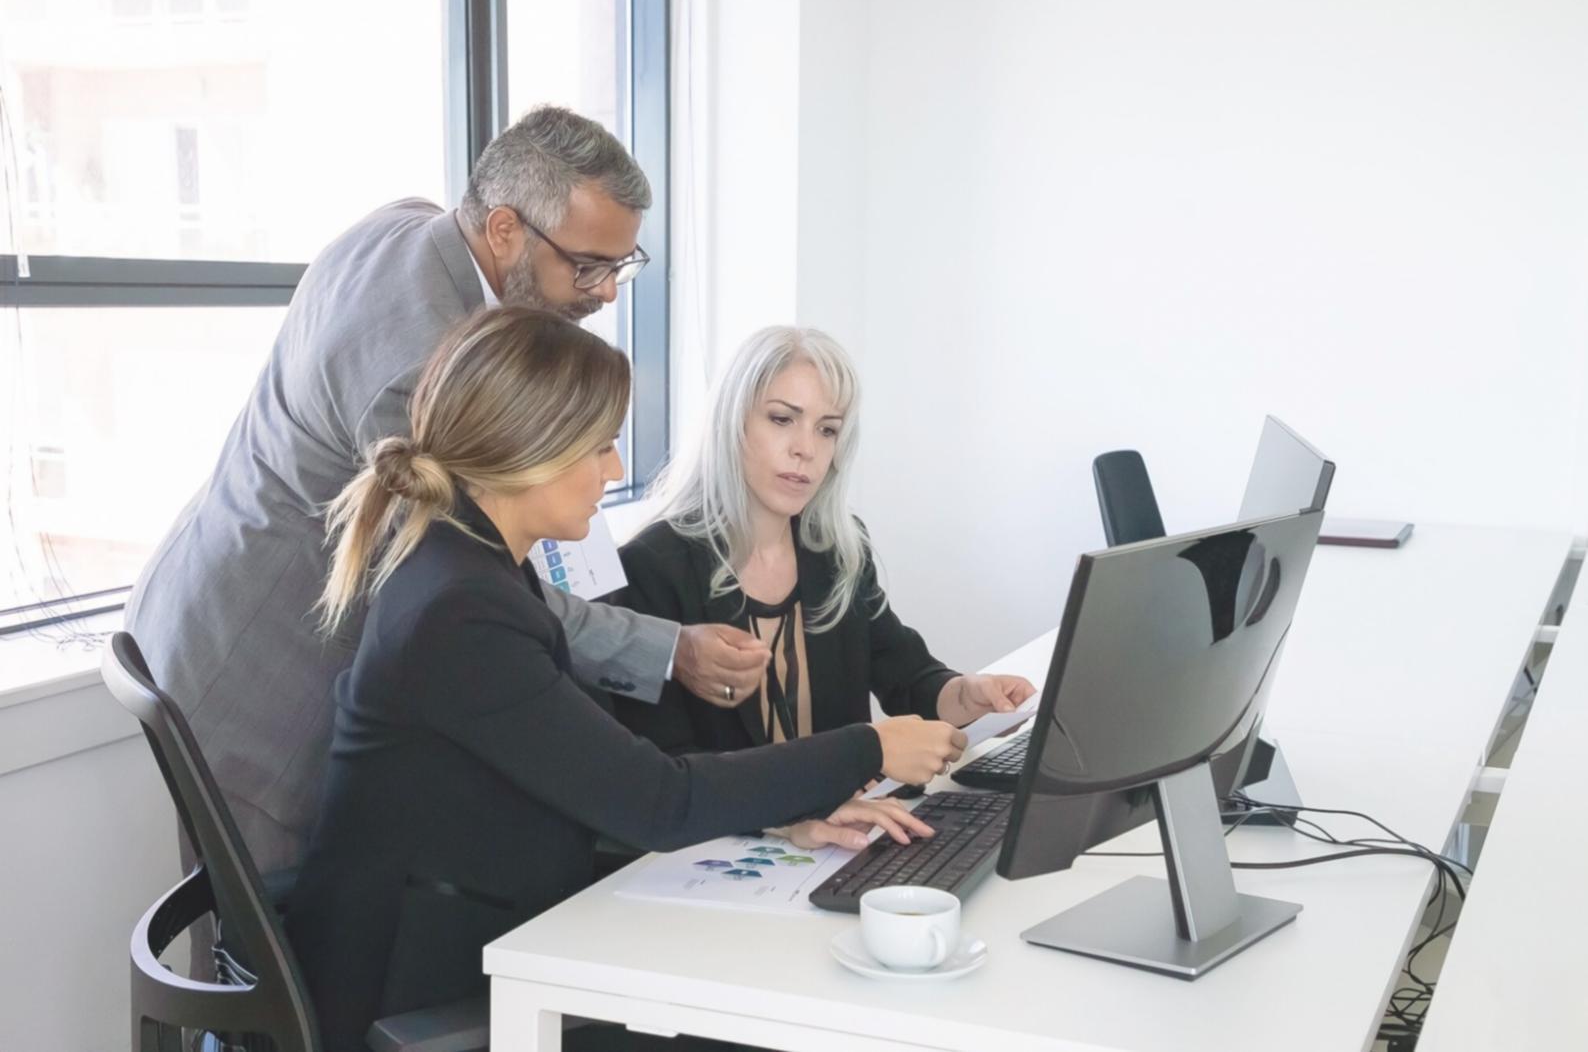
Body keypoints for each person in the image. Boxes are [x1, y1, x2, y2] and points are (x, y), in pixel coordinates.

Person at [284, 307, 965, 1051]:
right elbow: (658, 800)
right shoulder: (463, 612)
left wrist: (787, 814)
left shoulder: (473, 567)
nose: (613, 472)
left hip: (481, 925)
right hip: (418, 985)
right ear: (530, 446)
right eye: (601, 447)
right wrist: (870, 746)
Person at [125, 106, 768, 883]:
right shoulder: (416, 371)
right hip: (258, 666)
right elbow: (474, 582)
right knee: (272, 932)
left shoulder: (414, 226)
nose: (605, 293)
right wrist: (667, 650)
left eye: (620, 266)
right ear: (504, 230)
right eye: (586, 266)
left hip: (211, 588)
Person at [610, 326, 1036, 755]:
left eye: (827, 430)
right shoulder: (649, 568)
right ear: (731, 423)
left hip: (853, 799)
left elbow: (907, 678)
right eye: (782, 419)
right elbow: (668, 767)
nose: (806, 449)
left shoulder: (838, 549)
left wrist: (966, 696)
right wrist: (833, 782)